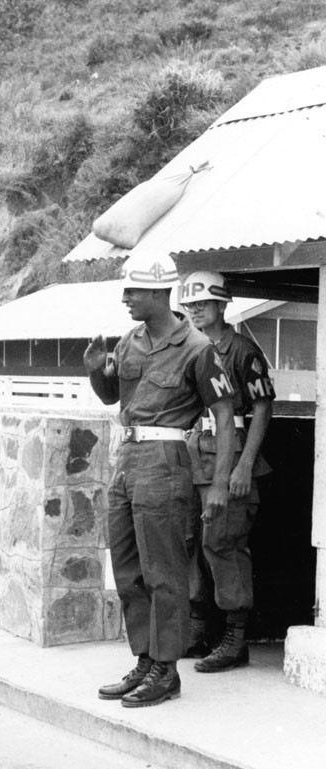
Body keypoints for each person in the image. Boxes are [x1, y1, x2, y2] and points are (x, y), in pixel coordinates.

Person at [83, 251, 235, 708]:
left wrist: (222, 482)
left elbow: (225, 417)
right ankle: (146, 661)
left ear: (156, 293)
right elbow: (114, 395)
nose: (125, 298)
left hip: (165, 460)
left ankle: (167, 670)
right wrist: (95, 369)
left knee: (163, 571)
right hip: (127, 460)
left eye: (133, 291)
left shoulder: (197, 349)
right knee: (128, 570)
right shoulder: (130, 340)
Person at [180, 271, 275, 672]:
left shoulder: (242, 350)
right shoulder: (189, 348)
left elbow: (262, 408)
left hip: (230, 454)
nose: (196, 311)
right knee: (191, 543)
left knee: (223, 543)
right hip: (192, 456)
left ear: (222, 304)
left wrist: (244, 465)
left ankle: (235, 639)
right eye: (191, 305)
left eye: (203, 303)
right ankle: (198, 630)